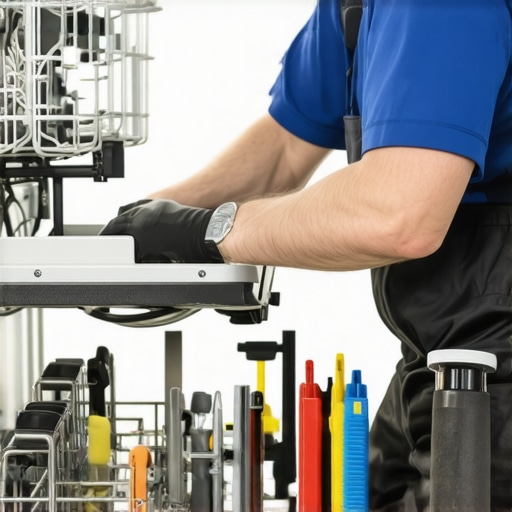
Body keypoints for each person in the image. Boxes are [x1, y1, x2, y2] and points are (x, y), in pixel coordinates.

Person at [101, 0, 512, 510]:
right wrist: (135, 227)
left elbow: (402, 214)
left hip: (493, 350)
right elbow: (283, 150)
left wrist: (208, 233)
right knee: (371, 494)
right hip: (432, 349)